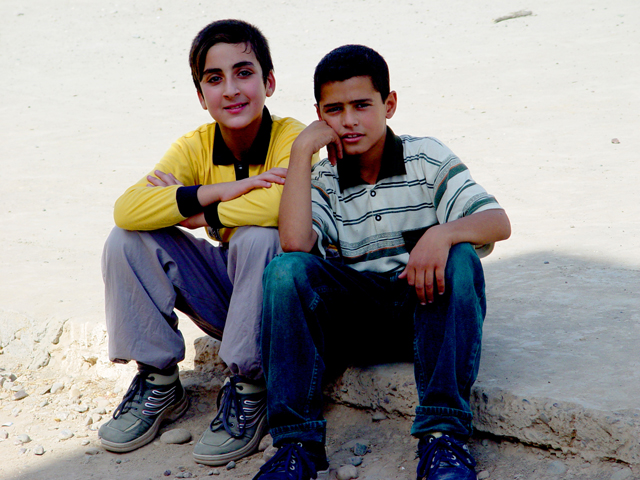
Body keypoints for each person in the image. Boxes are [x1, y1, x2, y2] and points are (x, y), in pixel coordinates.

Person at [254, 45, 511, 480]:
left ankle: (442, 437)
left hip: (423, 308)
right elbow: (296, 244)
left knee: (462, 256)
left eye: (362, 105)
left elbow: (497, 221)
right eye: (334, 110)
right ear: (318, 114)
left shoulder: (424, 157)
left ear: (389, 105)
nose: (349, 120)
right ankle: (296, 445)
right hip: (353, 320)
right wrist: (300, 154)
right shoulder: (322, 178)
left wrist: (442, 233)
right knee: (284, 272)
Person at [98, 19, 313, 466]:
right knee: (126, 240)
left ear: (269, 82)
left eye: (244, 72)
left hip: (284, 306)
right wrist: (220, 190)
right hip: (227, 294)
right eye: (214, 79)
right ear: (201, 97)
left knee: (258, 237)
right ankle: (159, 382)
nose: (231, 89)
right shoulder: (194, 147)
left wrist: (203, 216)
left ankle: (251, 388)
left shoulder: (293, 137)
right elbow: (129, 208)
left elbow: (282, 207)